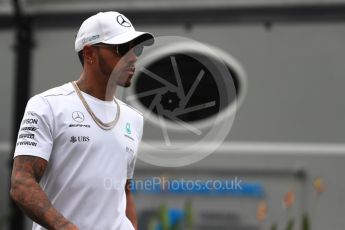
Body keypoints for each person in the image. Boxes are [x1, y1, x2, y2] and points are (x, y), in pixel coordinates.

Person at [10, 11, 154, 230]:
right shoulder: (47, 105)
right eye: (122, 49)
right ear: (89, 54)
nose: (133, 57)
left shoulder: (134, 119)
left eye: (136, 49)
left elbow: (123, 190)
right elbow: (21, 183)